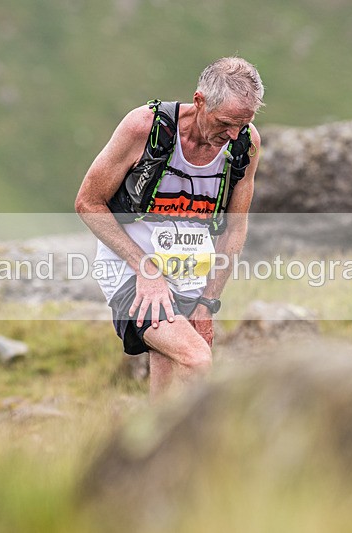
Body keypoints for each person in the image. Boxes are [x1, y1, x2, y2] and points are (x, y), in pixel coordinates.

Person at [75, 57, 264, 399]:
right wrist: (146, 269)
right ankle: (198, 450)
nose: (233, 134)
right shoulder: (145, 128)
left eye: (244, 123)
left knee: (168, 381)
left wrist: (209, 301)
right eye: (225, 123)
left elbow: (235, 229)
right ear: (200, 101)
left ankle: (154, 447)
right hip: (131, 271)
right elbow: (88, 203)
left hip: (192, 274)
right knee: (196, 360)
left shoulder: (245, 144)